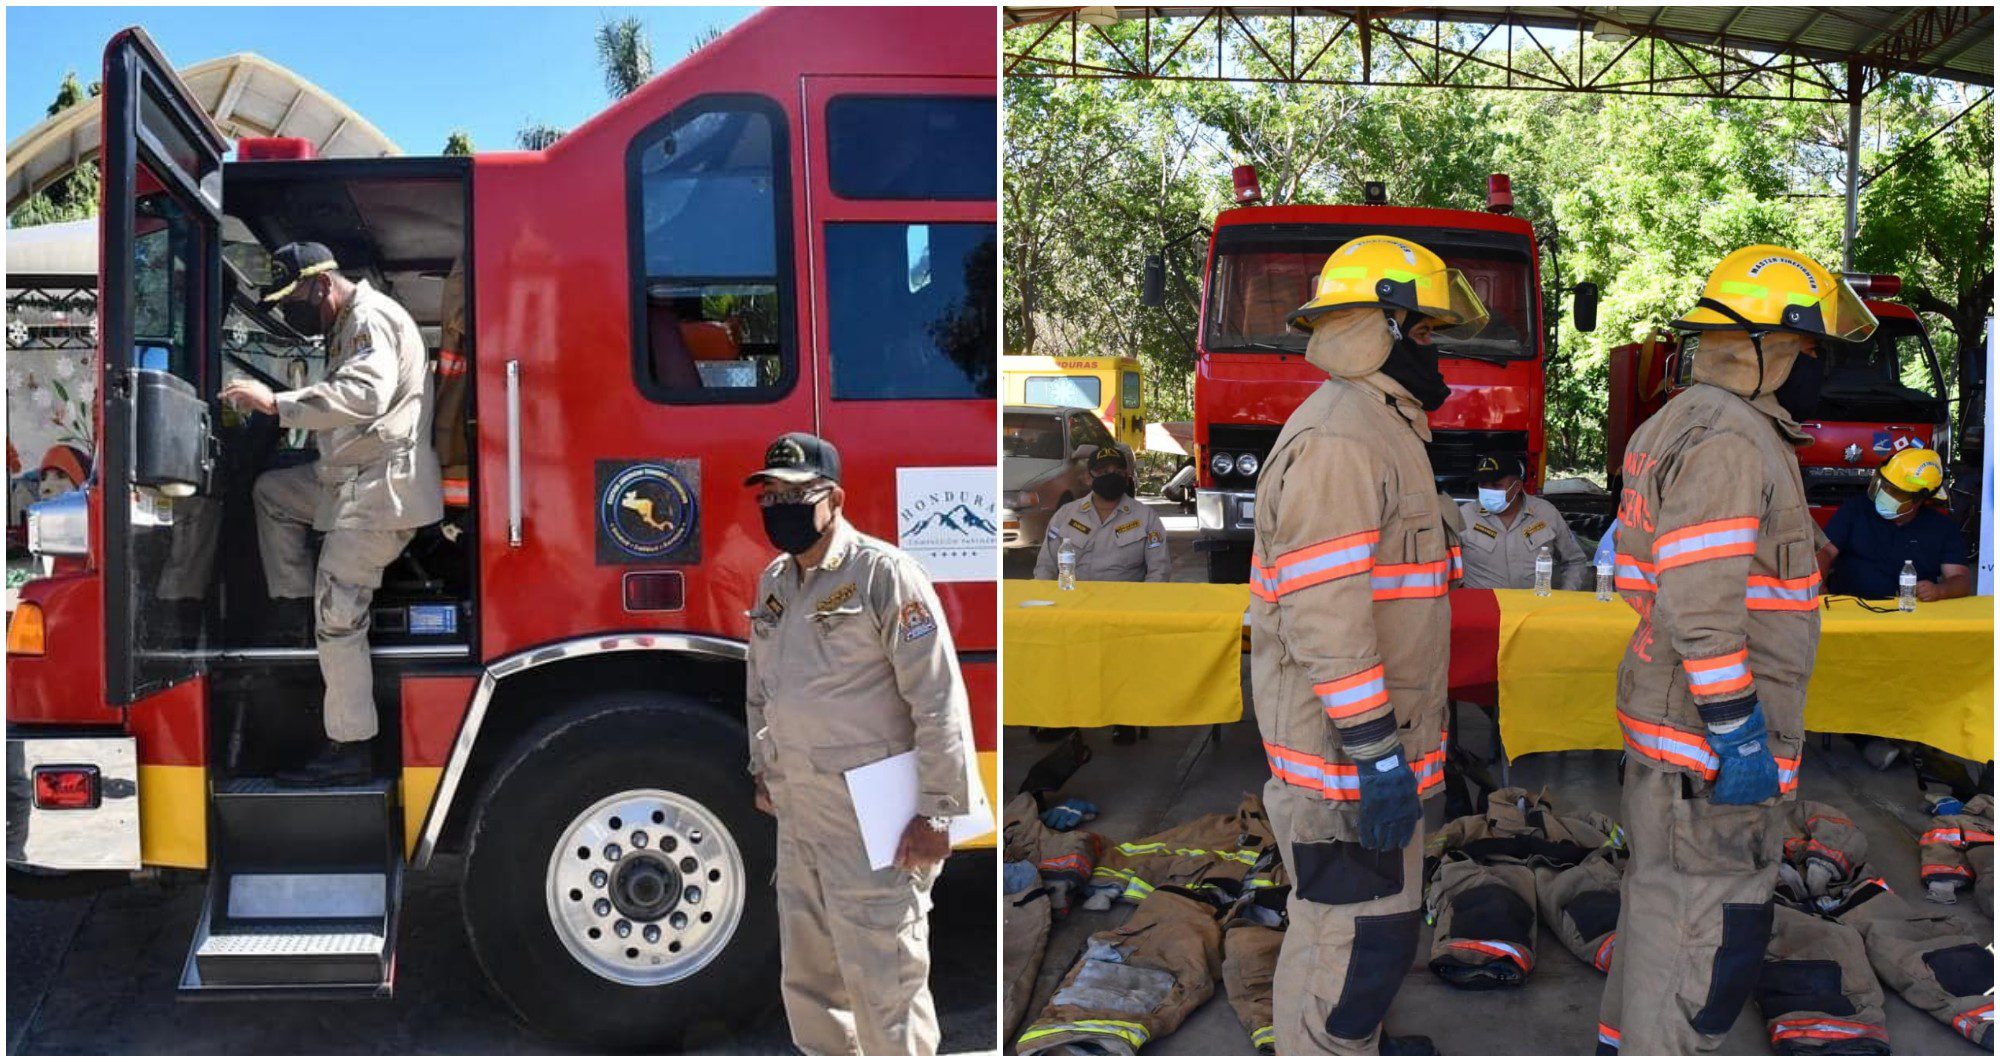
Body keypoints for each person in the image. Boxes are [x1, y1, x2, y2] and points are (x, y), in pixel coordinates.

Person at [1596, 244, 1875, 1054]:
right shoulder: (1731, 439)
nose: (1819, 368)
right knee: (1707, 936)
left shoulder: (1683, 420)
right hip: (1708, 742)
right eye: (1813, 349)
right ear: (1771, 345)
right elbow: (1702, 609)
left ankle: (1630, 1038)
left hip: (1674, 728)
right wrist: (1738, 729)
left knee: (1660, 902)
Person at [1249, 233, 1489, 1055]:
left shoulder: (1381, 426)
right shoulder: (1343, 439)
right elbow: (1326, 618)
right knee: (1351, 948)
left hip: (1375, 752)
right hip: (1348, 762)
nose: (1436, 352)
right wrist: (1376, 751)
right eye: (1424, 333)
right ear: (1380, 327)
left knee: (1367, 938)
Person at [742, 431, 980, 1056]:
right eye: (768, 495)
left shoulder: (883, 575)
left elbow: (938, 699)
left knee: (886, 985)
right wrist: (762, 770)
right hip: (800, 819)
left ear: (835, 498)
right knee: (811, 982)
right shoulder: (773, 581)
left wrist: (937, 813)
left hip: (876, 821)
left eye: (794, 495)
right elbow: (760, 689)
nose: (778, 507)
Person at [219, 242, 442, 786]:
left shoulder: (367, 317)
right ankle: (294, 609)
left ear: (322, 284)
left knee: (340, 615)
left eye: (295, 298)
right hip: (348, 480)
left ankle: (349, 747)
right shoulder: (347, 322)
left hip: (379, 492)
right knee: (272, 491)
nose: (294, 311)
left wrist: (277, 404)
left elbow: (365, 395)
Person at [1823, 447, 1969, 602]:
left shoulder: (1941, 528)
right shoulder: (1855, 510)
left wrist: (1940, 591)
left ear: (1919, 500)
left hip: (1910, 617)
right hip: (1849, 610)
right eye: (1884, 486)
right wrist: (1818, 583)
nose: (1886, 494)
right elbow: (1825, 552)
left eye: (1896, 492)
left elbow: (1960, 579)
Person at [1032, 444, 1170, 582]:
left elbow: (1159, 571)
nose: (1111, 477)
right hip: (1076, 599)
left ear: (1126, 477)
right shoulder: (1065, 515)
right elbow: (1045, 567)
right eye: (1103, 472)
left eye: (1117, 472)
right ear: (1088, 477)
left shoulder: (1146, 517)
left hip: (1126, 600)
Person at [1455, 453, 1589, 591]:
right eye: (1483, 484)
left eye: (1496, 485)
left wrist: (1565, 598)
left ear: (1517, 486)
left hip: (1535, 608)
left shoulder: (1545, 513)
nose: (1488, 491)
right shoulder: (1463, 516)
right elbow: (1446, 568)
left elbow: (1574, 561)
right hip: (1484, 609)